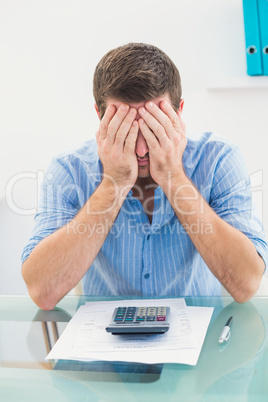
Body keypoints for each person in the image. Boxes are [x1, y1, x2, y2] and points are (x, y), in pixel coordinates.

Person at [21, 43, 267, 310]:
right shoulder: (69, 169)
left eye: (153, 127)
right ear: (99, 117)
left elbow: (246, 284)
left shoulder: (219, 159)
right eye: (124, 130)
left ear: (179, 112)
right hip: (101, 344)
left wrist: (173, 177)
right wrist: (113, 182)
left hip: (200, 343)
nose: (140, 149)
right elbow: (42, 292)